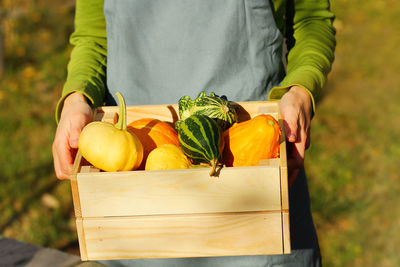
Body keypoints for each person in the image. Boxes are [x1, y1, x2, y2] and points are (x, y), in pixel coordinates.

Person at [52, 0, 336, 266]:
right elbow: (95, 36)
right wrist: (77, 98)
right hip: (136, 200)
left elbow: (310, 19)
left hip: (255, 185)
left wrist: (300, 91)